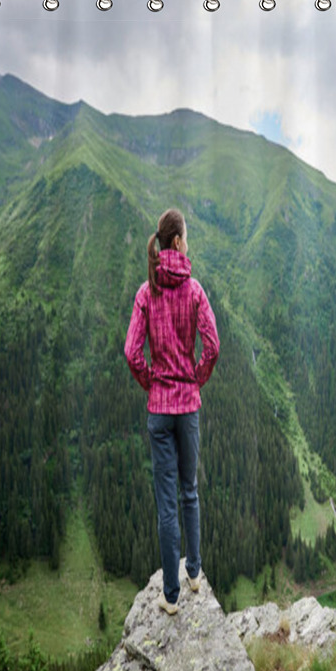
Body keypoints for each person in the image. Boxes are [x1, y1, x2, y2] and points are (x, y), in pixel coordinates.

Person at [124, 208, 219, 616]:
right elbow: (212, 345)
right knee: (190, 492)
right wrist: (194, 380)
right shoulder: (195, 290)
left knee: (167, 505)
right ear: (178, 242)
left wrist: (151, 383)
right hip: (188, 407)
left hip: (160, 410)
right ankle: (194, 574)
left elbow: (132, 352)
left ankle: (171, 594)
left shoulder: (147, 292)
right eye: (187, 236)